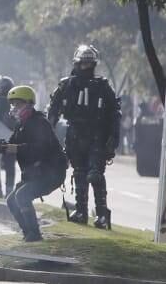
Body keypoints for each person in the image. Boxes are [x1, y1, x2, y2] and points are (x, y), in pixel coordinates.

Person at [47, 44, 121, 229]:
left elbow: (114, 113)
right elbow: (53, 109)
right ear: (77, 64)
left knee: (95, 174)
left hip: (97, 135)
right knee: (79, 173)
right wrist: (50, 132)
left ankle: (102, 215)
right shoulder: (66, 85)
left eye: (90, 64)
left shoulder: (103, 86)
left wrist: (113, 138)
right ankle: (81, 211)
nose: (86, 68)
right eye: (83, 64)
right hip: (74, 134)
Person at [0, 85, 67, 242]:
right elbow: (13, 143)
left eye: (18, 104)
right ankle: (27, 233)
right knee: (11, 200)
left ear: (29, 104)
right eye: (13, 104)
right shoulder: (21, 125)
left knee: (22, 195)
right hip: (36, 174)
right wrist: (2, 146)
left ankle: (35, 235)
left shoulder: (39, 122)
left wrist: (14, 148)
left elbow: (38, 149)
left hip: (52, 173)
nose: (15, 108)